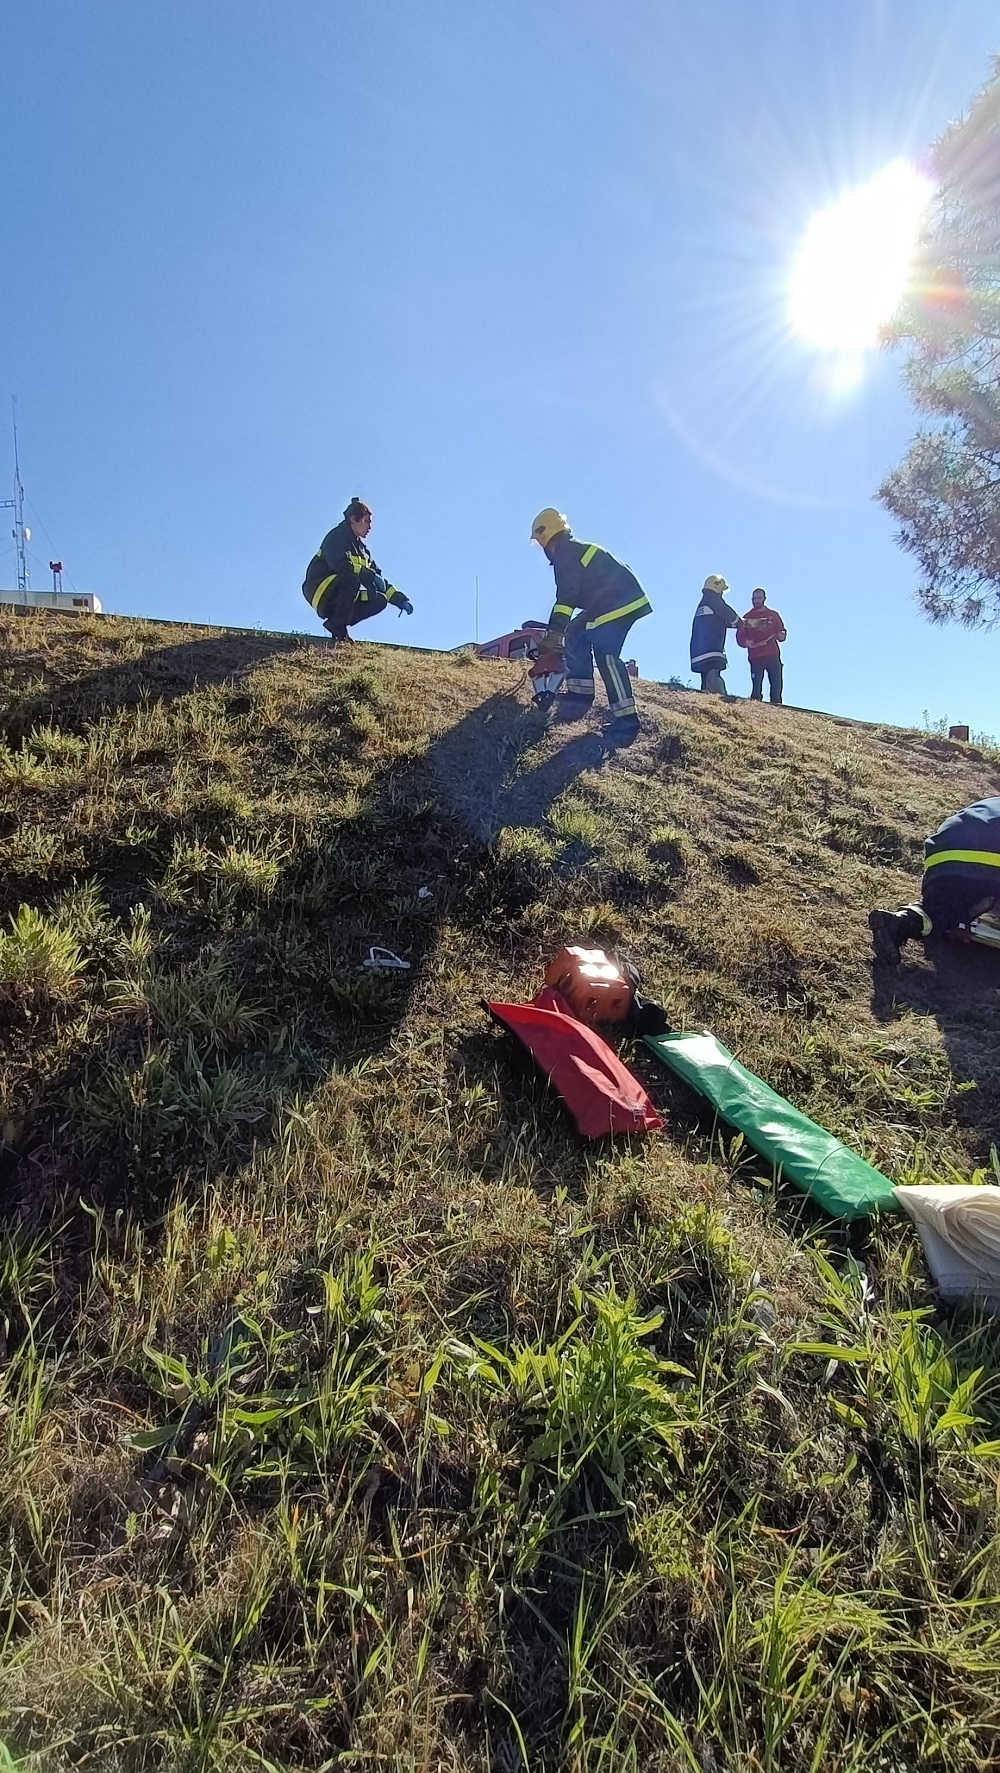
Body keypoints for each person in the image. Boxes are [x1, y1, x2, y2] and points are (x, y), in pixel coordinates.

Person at [530, 508, 651, 744]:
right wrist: (560, 632)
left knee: (606, 655)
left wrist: (554, 633)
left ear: (546, 536)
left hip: (619, 602)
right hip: (608, 602)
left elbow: (567, 596)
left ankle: (627, 721)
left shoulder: (565, 553)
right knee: (575, 633)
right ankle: (580, 695)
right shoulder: (571, 549)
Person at [869, 795, 1000, 965]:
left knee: (942, 906)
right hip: (985, 856)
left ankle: (899, 922)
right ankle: (958, 912)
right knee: (978, 891)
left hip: (942, 850)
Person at [302, 497, 412, 641]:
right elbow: (339, 564)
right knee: (351, 578)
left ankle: (336, 622)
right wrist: (365, 573)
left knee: (379, 600)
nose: (369, 527)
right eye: (366, 521)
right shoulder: (337, 536)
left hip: (340, 593)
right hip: (319, 588)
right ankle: (339, 630)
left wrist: (399, 599)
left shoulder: (364, 552)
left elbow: (379, 581)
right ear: (353, 519)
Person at [690, 575, 740, 694]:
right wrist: (741, 623)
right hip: (712, 648)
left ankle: (706, 697)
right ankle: (719, 697)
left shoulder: (703, 604)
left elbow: (719, 622)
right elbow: (728, 614)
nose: (722, 594)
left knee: (705, 679)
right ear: (717, 588)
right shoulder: (713, 600)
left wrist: (736, 624)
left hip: (698, 650)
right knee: (713, 676)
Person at [736, 587, 786, 704]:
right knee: (756, 684)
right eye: (754, 598)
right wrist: (747, 643)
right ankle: (755, 704)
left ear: (764, 599)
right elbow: (740, 637)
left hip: (772, 654)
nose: (756, 601)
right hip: (756, 656)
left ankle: (777, 705)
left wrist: (781, 635)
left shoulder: (773, 615)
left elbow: (781, 632)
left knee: (776, 683)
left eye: (759, 598)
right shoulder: (747, 617)